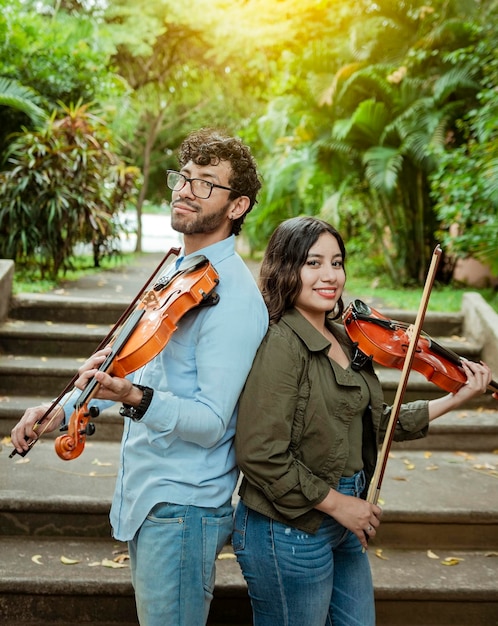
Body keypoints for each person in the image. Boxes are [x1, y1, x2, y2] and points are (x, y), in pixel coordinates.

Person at [10, 128, 269, 626]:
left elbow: (214, 422)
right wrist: (59, 411)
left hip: (183, 506)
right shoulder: (177, 272)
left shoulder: (232, 297)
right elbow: (125, 362)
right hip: (155, 499)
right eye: (184, 177)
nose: (186, 190)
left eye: (205, 184)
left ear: (237, 206)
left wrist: (133, 395)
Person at [232, 216, 493, 626]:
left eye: (337, 263)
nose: (329, 275)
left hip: (344, 513)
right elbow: (259, 454)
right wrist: (341, 506)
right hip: (289, 528)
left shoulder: (343, 336)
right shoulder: (282, 342)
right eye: (313, 263)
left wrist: (456, 396)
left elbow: (376, 422)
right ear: (286, 268)